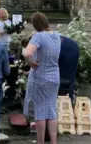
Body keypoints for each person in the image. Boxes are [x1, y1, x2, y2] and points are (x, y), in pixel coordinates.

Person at [22, 12, 61, 144]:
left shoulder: (39, 36)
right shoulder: (56, 35)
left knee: (40, 111)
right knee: (51, 109)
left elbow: (26, 52)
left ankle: (40, 142)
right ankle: (54, 141)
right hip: (55, 76)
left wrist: (30, 63)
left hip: (40, 77)